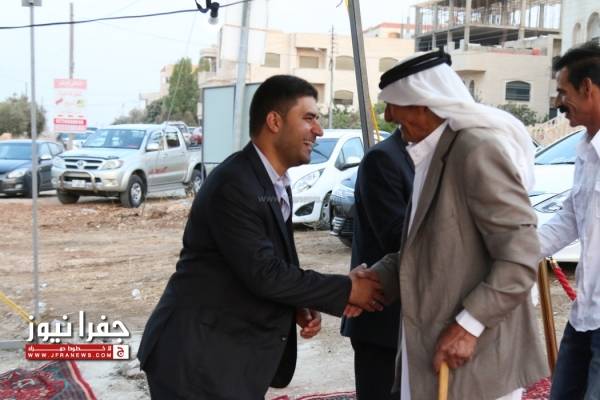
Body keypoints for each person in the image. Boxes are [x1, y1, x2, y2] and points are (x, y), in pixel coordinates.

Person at [137, 75, 384, 400]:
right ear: (274, 121)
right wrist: (348, 289)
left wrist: (297, 303)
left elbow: (267, 263)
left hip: (227, 357)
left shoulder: (272, 182)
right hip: (197, 359)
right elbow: (264, 274)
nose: (319, 131)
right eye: (309, 118)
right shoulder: (235, 184)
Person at [353, 49, 548, 399]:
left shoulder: (476, 149)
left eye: (394, 106)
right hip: (436, 351)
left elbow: (520, 256)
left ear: (423, 104)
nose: (388, 116)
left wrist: (469, 325)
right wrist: (376, 279)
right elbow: (428, 247)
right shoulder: (434, 152)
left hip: (478, 362)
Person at [538, 41, 600, 400]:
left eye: (564, 92)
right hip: (584, 316)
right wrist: (512, 252)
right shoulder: (585, 149)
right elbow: (571, 218)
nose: (559, 103)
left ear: (587, 87)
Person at [340, 126, 414, 399]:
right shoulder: (383, 159)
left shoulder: (434, 159)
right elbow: (398, 237)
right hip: (384, 323)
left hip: (415, 324)